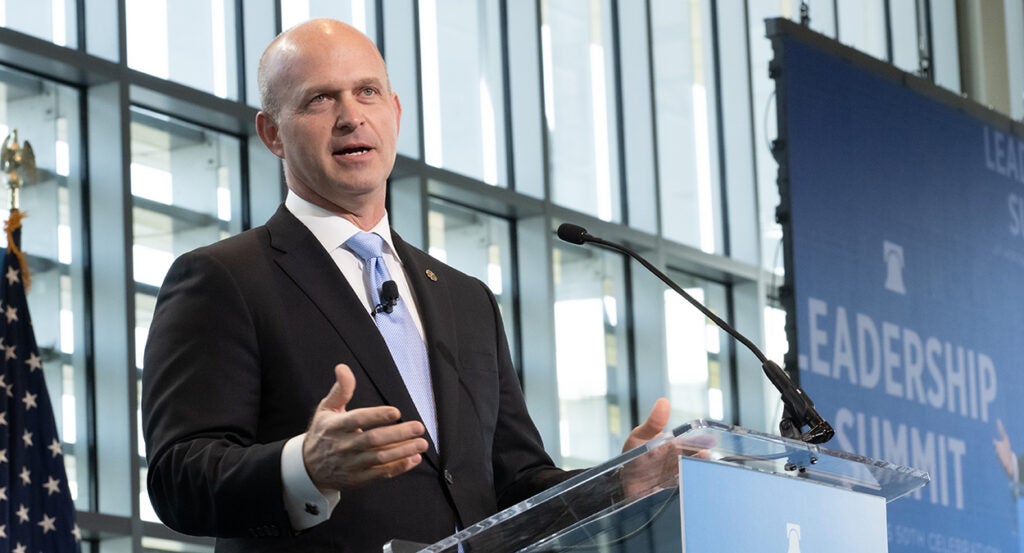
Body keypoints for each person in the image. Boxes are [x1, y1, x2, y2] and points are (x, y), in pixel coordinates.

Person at [141, 18, 674, 553]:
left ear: (394, 113)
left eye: (367, 92)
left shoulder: (466, 300)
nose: (351, 117)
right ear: (273, 133)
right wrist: (305, 466)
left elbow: (514, 481)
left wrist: (614, 485)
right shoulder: (224, 277)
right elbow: (177, 478)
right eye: (321, 100)